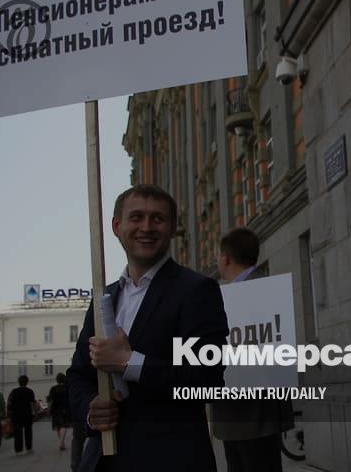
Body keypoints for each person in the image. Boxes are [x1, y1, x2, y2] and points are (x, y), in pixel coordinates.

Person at [67, 184, 229, 472]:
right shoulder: (104, 298)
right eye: (136, 217)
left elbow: (206, 380)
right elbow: (78, 375)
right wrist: (91, 410)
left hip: (171, 460)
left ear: (173, 228)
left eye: (157, 218)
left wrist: (128, 362)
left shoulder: (196, 291)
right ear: (116, 226)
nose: (146, 227)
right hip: (103, 461)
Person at [211, 228, 294, 472]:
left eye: (218, 256)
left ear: (226, 258)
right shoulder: (237, 291)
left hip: (254, 414)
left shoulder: (258, 288)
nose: (217, 262)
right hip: (237, 413)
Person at [8, 375, 36, 455]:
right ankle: (29, 448)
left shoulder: (14, 391)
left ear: (19, 382)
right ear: (27, 382)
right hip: (27, 414)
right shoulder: (30, 391)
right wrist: (34, 414)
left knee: (18, 432)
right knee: (28, 431)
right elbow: (32, 404)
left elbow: (9, 403)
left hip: (16, 415)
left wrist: (9, 414)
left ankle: (18, 450)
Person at [47, 373, 71, 450]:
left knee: (58, 426)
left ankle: (62, 442)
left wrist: (49, 409)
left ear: (57, 380)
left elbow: (50, 400)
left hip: (55, 410)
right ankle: (61, 443)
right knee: (63, 425)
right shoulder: (67, 388)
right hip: (65, 409)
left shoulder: (53, 389)